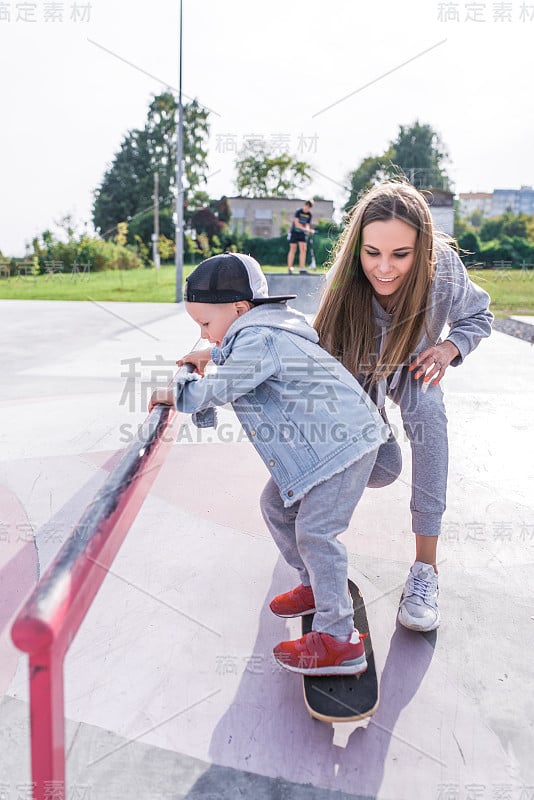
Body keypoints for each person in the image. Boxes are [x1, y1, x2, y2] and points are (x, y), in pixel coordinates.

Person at [149, 252, 388, 676]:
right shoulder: (261, 332)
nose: (203, 335)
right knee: (275, 507)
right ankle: (316, 586)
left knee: (317, 532)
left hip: (343, 445)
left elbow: (216, 392)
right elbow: (233, 368)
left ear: (240, 310)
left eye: (205, 324)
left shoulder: (260, 340)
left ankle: (339, 640)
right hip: (325, 447)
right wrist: (211, 356)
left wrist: (178, 388)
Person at [314, 181, 493, 632]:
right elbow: (310, 350)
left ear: (424, 249)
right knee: (382, 468)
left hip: (415, 368)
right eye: (372, 253)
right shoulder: (347, 282)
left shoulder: (444, 270)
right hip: (361, 370)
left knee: (431, 418)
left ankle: (425, 571)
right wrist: (224, 353)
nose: (384, 268)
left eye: (401, 254)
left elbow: (479, 315)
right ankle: (309, 531)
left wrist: (451, 347)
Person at [287, 200, 313, 273]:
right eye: (306, 206)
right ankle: (290, 268)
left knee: (303, 249)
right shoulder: (298, 212)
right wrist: (305, 229)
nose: (307, 208)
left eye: (309, 207)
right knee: (293, 249)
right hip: (294, 232)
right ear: (305, 205)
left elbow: (307, 224)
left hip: (302, 234)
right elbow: (296, 224)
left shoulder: (309, 214)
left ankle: (301, 268)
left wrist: (308, 230)